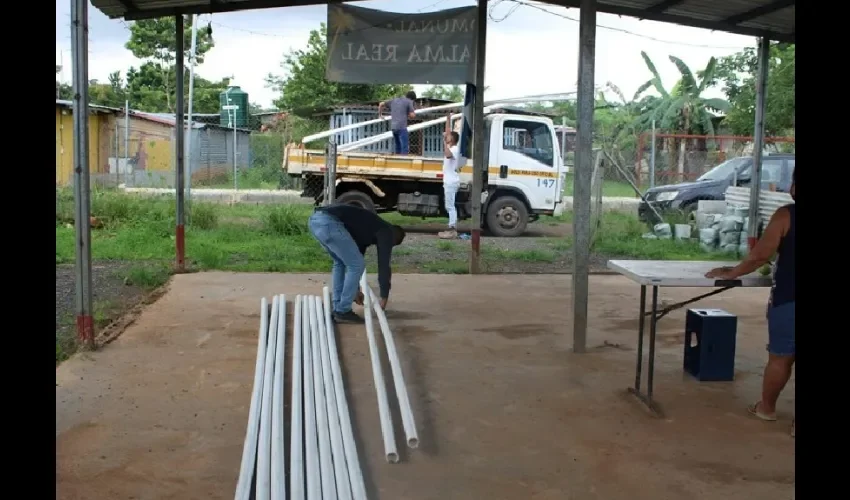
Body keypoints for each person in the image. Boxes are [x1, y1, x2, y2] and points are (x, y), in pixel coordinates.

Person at [705, 169, 795, 437]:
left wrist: (732, 273)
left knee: (780, 359)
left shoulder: (787, 214)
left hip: (790, 300)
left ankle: (766, 408)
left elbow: (761, 255)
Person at [308, 203, 406, 323]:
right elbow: (384, 266)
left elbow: (354, 258)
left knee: (341, 262)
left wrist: (356, 290)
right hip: (329, 223)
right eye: (391, 245)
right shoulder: (387, 232)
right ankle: (343, 311)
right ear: (394, 238)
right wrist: (384, 297)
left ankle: (338, 306)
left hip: (316, 221)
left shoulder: (368, 231)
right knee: (357, 265)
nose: (388, 246)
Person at [438, 111, 463, 239]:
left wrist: (444, 142)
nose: (446, 137)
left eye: (448, 137)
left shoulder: (454, 149)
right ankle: (451, 227)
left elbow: (448, 155)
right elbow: (448, 131)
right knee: (449, 205)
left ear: (452, 140)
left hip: (451, 181)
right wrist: (448, 118)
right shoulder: (452, 146)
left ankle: (452, 229)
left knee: (450, 206)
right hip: (450, 180)